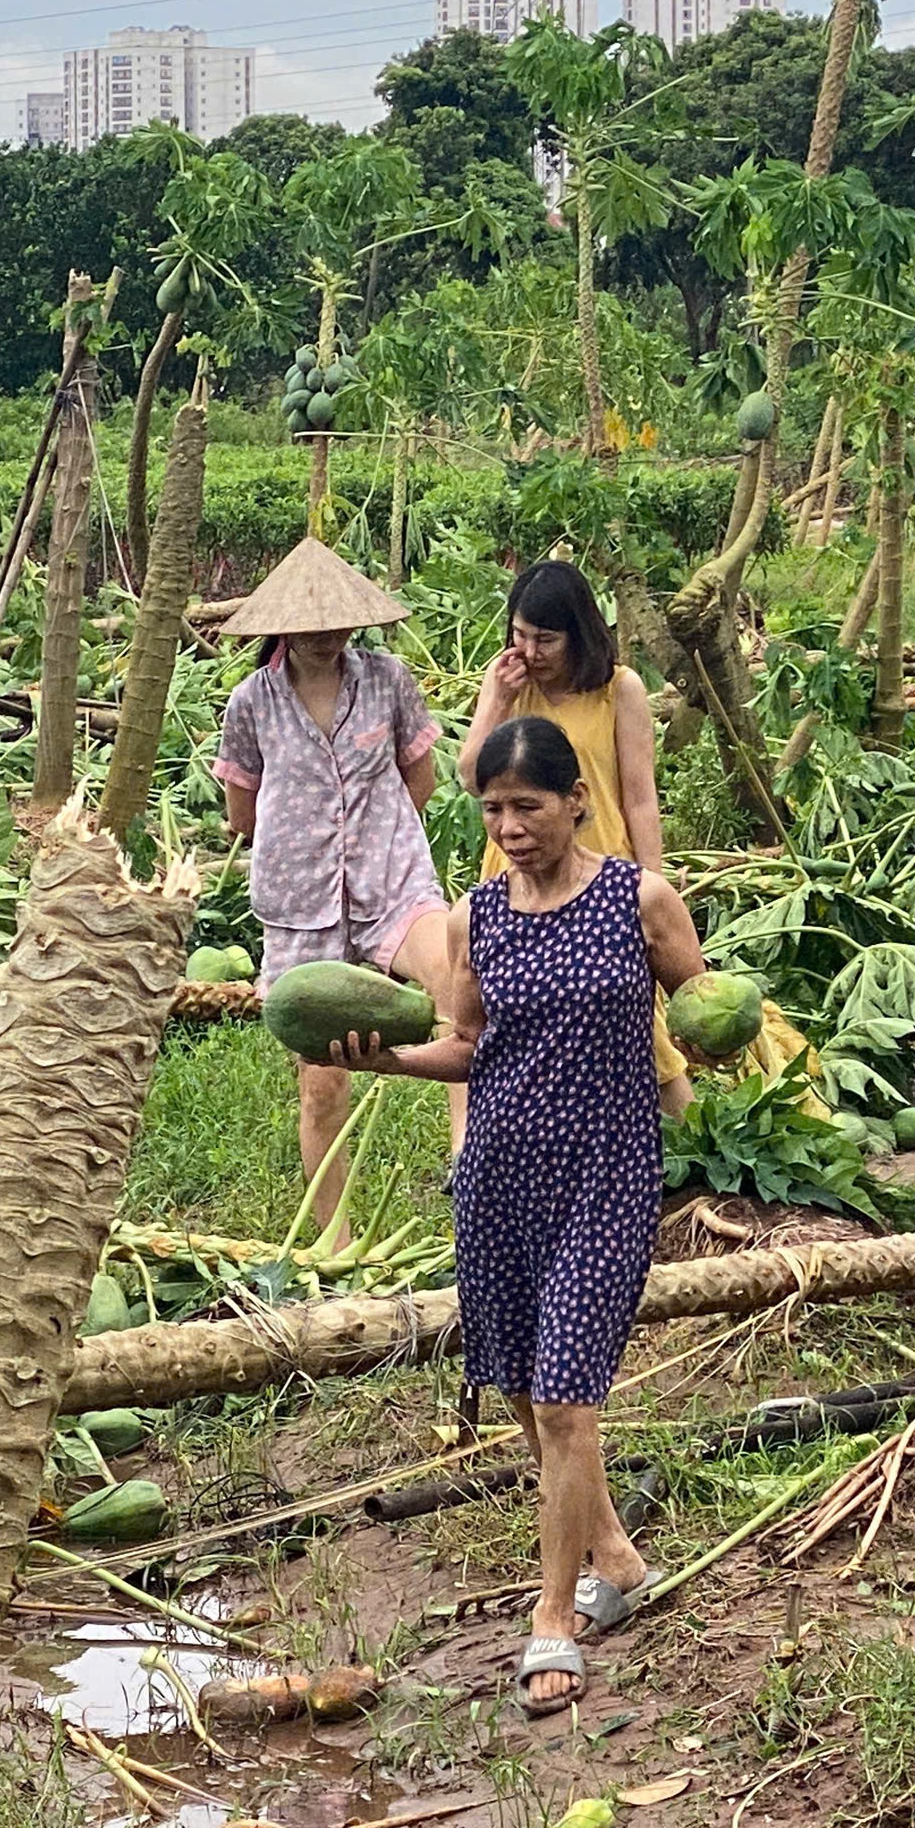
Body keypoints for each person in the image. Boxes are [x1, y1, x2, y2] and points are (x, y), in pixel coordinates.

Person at [335, 715, 713, 1716]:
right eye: (494, 809)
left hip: (606, 1171)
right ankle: (617, 1560)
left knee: (563, 1401)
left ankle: (551, 1621)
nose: (508, 825)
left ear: (575, 799)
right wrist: (385, 1059)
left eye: (527, 806)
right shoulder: (476, 918)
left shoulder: (640, 900)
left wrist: (721, 1036)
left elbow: (706, 1008)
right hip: (500, 1174)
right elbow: (466, 1042)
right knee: (518, 1386)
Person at [214, 535, 453, 1238]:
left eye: (336, 622)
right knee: (323, 1083)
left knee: (459, 989)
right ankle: (335, 1238)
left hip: (393, 879)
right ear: (282, 627)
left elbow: (421, 779)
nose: (324, 636)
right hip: (301, 907)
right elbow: (241, 814)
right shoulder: (251, 703)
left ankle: (470, 1168)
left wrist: (378, 836)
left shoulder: (387, 679)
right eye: (309, 625)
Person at [456, 559, 692, 1121]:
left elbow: (639, 793)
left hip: (603, 868)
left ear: (579, 633)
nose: (530, 652)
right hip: (520, 871)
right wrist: (495, 700)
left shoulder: (620, 689)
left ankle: (689, 1142)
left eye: (546, 639)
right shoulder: (510, 686)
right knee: (511, 1021)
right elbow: (472, 777)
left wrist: (653, 879)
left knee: (633, 1020)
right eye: (519, 635)